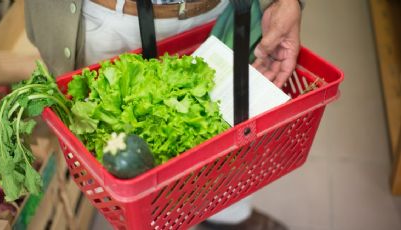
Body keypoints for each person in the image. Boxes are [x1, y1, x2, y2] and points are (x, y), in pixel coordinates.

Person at [24, 0, 303, 229]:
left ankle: (227, 216)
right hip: (109, 20)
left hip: (218, 12)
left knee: (226, 130)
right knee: (129, 169)